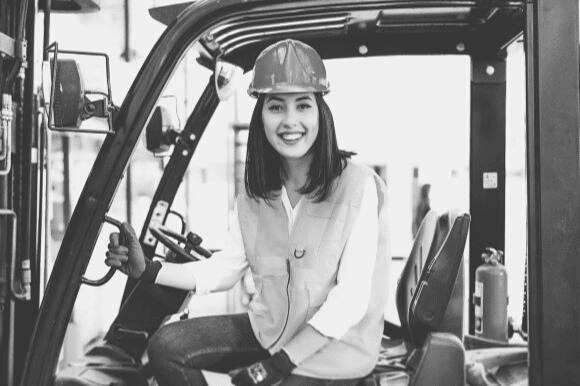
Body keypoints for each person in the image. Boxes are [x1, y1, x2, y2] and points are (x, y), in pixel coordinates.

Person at [106, 39, 391, 386]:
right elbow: (225, 269)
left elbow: (349, 301)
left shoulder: (358, 186)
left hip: (333, 353)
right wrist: (147, 270)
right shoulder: (256, 193)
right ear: (262, 115)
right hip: (270, 333)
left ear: (321, 113)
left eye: (303, 105)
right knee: (167, 347)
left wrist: (274, 369)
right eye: (276, 107)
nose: (290, 121)